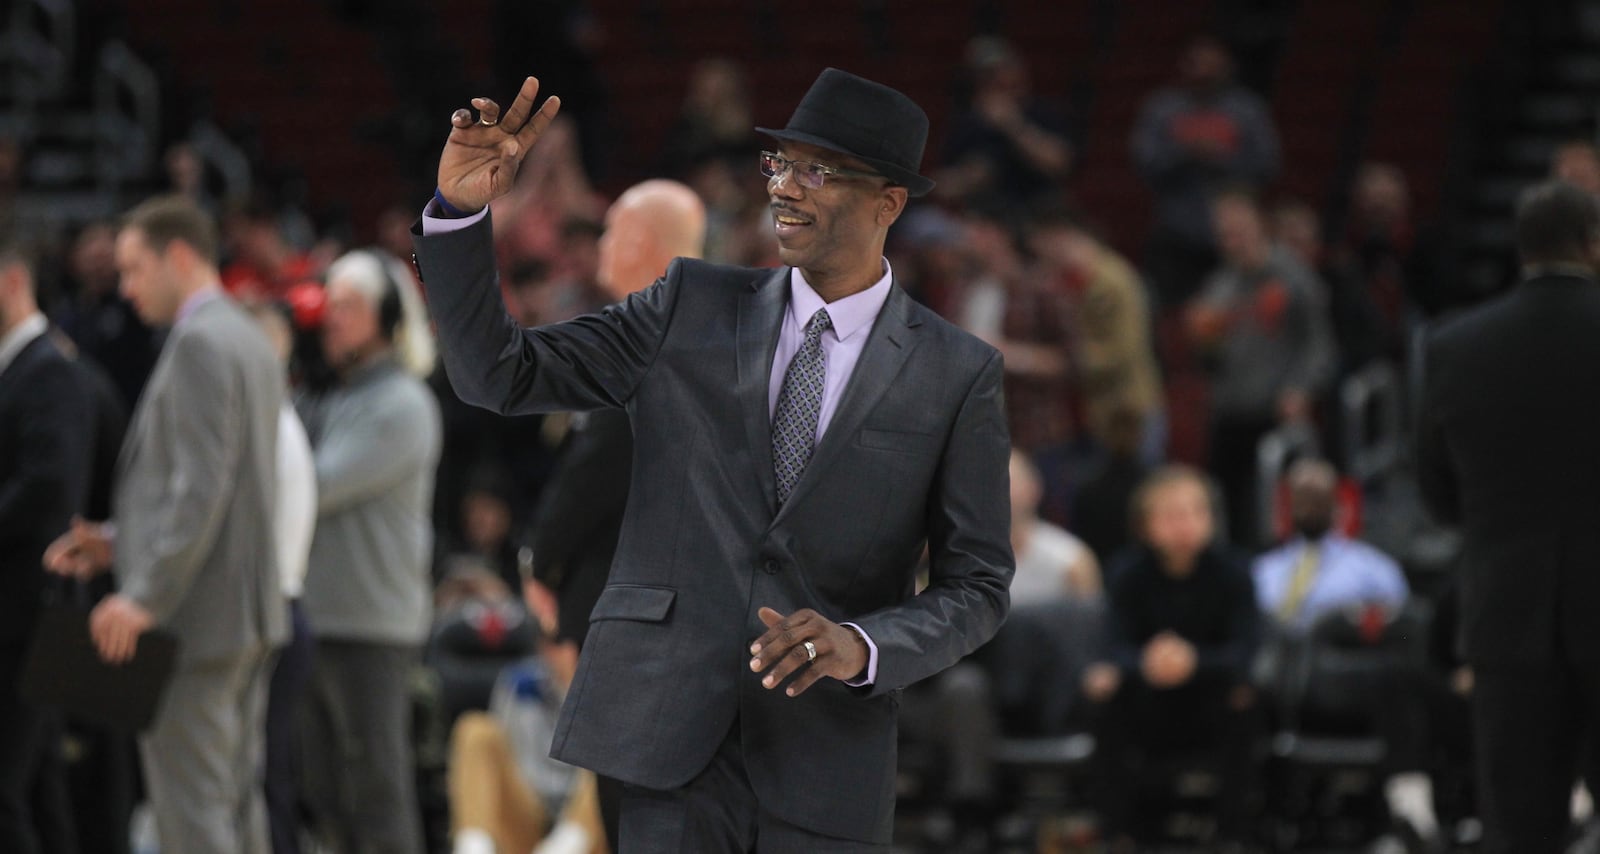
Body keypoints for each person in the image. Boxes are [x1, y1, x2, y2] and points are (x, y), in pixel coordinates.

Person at [415, 69, 1013, 852]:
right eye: (778, 165)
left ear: (888, 203)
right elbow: (501, 373)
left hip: (825, 759)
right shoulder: (687, 303)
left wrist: (864, 645)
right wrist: (461, 214)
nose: (784, 190)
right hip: (665, 739)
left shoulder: (956, 371)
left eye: (816, 171)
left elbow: (978, 585)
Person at [43, 194, 288, 854]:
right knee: (236, 808)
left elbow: (200, 489)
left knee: (194, 818)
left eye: (134, 270)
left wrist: (144, 594)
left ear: (179, 256)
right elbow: (224, 490)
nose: (125, 289)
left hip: (195, 623)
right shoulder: (248, 336)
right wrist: (119, 544)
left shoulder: (201, 341)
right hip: (244, 612)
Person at [1416, 180, 1600, 853]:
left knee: (1520, 830)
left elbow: (1437, 496)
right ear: (1593, 243)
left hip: (1506, 618)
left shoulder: (1453, 346)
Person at [295, 248, 442, 854]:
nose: (331, 316)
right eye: (329, 303)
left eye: (349, 306)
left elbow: (313, 487)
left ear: (388, 316)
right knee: (326, 795)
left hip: (372, 628)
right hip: (323, 620)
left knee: (377, 796)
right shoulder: (333, 398)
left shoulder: (402, 404)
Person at [1080, 465, 1261, 851]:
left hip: (1210, 702)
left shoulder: (1234, 571)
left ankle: (1235, 835)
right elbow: (1111, 648)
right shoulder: (1127, 572)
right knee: (1103, 696)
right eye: (1172, 515)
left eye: (1196, 512)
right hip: (1149, 704)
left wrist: (1193, 661)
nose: (1186, 524)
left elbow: (1246, 651)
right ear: (1145, 525)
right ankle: (1118, 834)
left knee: (1248, 700)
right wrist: (1146, 663)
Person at [0, 242, 91, 854]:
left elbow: (48, 487)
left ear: (11, 281)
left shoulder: (47, 368)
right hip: (21, 610)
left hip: (32, 611)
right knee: (34, 790)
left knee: (10, 791)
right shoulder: (24, 366)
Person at [1187, 189, 1334, 547]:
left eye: (1239, 230)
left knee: (1273, 515)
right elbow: (1208, 360)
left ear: (1260, 226)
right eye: (1224, 233)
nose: (1231, 240)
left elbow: (1320, 344)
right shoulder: (1219, 286)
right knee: (1228, 510)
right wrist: (1204, 340)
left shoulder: (1294, 277)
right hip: (1230, 412)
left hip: (1276, 413)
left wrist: (1301, 387)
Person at [1132, 35, 1280, 307]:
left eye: (1212, 65)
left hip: (1232, 237)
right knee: (1172, 312)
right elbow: (1145, 163)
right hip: (1177, 232)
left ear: (1227, 67)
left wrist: (1222, 158)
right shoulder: (1163, 108)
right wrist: (1185, 152)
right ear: (1184, 66)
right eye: (1197, 64)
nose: (1204, 71)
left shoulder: (1246, 110)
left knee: (1234, 312)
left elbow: (1266, 166)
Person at [246, 301, 318, 854]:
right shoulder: (275, 415)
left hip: (268, 613)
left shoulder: (269, 420)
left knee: (263, 781)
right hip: (276, 610)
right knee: (266, 779)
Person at [1251, 458, 1407, 633]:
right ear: (1289, 503)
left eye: (1317, 497)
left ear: (1337, 503)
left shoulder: (1374, 571)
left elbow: (1401, 632)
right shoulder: (1263, 571)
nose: (1309, 507)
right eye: (1303, 496)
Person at [1007, 449, 1100, 607]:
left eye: (1008, 482)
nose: (998, 493)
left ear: (1033, 488)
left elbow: (1091, 625)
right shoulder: (964, 557)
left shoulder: (1071, 559)